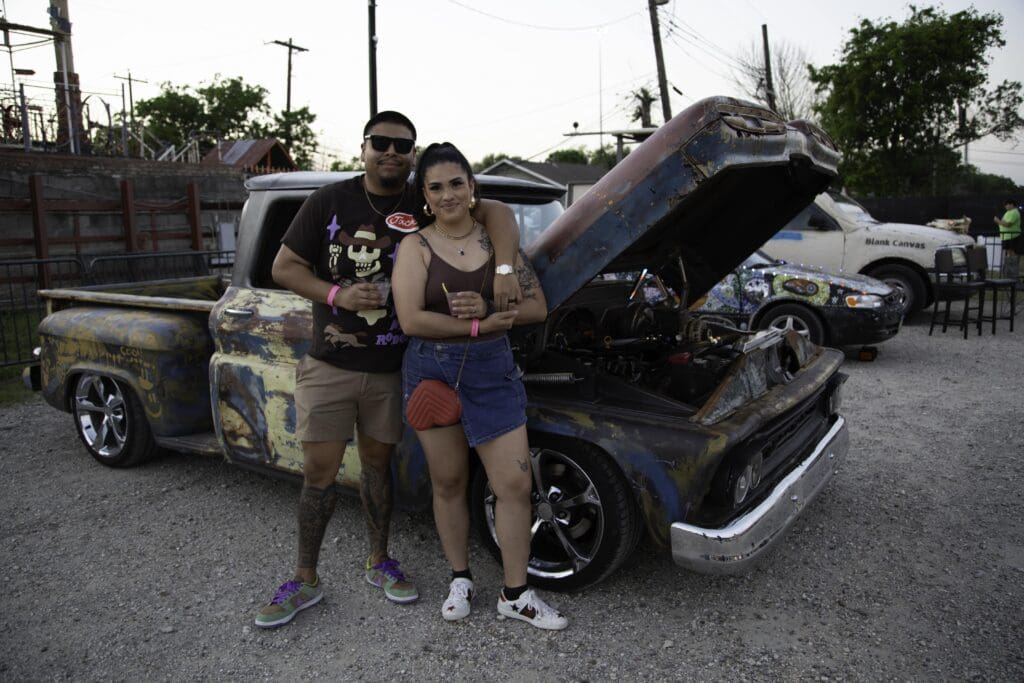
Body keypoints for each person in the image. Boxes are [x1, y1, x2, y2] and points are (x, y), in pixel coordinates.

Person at [255, 112, 524, 628]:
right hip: (331, 360)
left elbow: (500, 216)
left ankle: (379, 561)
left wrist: (507, 269)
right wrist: (338, 294)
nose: (392, 152)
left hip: (394, 364)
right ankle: (304, 578)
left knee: (378, 468)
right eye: (381, 142)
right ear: (364, 147)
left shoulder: (426, 198)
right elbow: (283, 267)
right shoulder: (328, 200)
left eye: (403, 145)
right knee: (319, 473)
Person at [392, 142, 568, 631]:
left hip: (492, 371)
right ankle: (460, 578)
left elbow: (536, 309)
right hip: (432, 371)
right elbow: (410, 319)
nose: (448, 195)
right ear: (425, 197)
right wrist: (474, 326)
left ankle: (515, 594)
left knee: (513, 483)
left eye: (456, 183)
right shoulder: (417, 245)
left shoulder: (499, 245)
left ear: (472, 188)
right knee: (448, 482)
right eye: (436, 187)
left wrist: (489, 312)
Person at [993, 198, 1021, 280]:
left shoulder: (1014, 212)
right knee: (1009, 254)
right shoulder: (1009, 212)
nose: (1006, 206)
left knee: (1012, 254)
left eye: (1007, 204)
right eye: (1005, 205)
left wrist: (998, 221)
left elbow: (1007, 224)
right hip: (1007, 236)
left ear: (1012, 204)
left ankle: (1013, 276)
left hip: (1012, 236)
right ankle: (1009, 274)